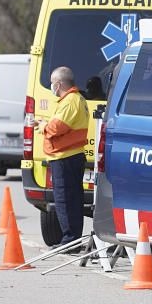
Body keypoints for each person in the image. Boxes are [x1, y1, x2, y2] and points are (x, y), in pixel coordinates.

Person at [35, 67, 90, 249]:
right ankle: (72, 239)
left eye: (52, 83)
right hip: (71, 156)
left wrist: (43, 126)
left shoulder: (70, 101)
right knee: (73, 200)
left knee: (65, 200)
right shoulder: (76, 99)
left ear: (58, 84)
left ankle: (69, 241)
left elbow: (56, 128)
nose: (51, 86)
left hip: (65, 157)